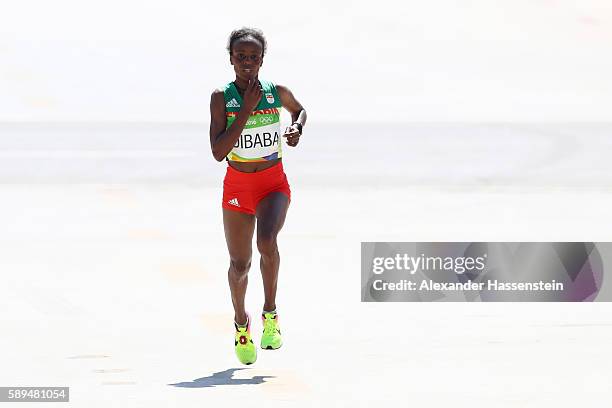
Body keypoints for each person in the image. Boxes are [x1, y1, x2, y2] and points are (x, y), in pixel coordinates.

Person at [209, 27, 307, 365]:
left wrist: (296, 128)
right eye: (241, 57)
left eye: (253, 57)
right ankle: (241, 325)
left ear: (262, 60)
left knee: (267, 241)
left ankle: (270, 315)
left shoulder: (276, 93)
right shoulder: (221, 98)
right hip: (237, 188)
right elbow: (218, 151)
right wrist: (246, 111)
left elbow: (300, 110)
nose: (247, 63)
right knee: (240, 265)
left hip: (272, 184)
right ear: (231, 59)